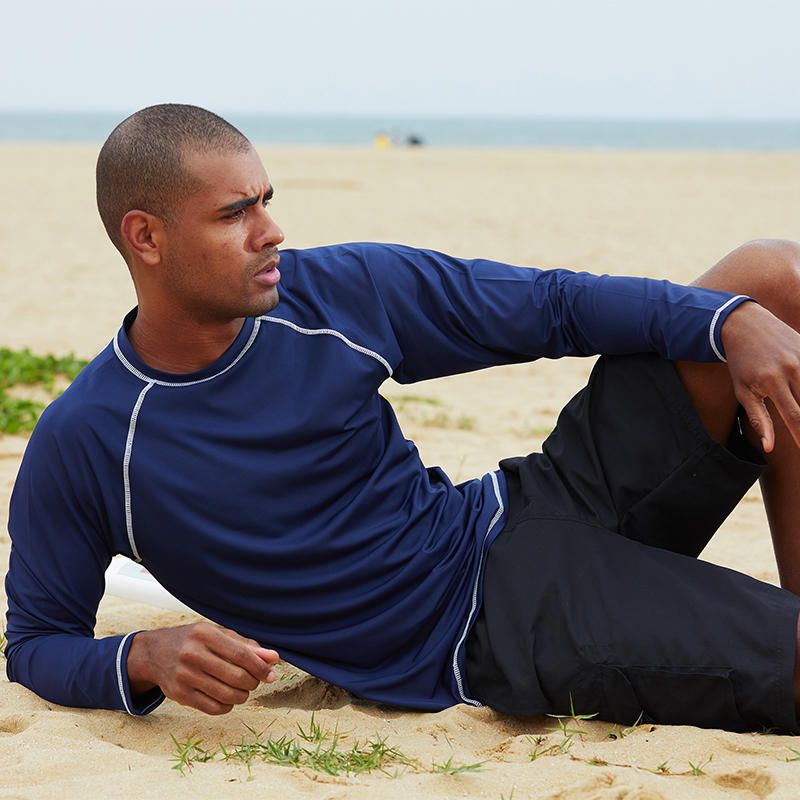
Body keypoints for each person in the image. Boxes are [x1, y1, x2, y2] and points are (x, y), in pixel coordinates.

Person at [5, 104, 800, 732]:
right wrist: (143, 655)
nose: (271, 229)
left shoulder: (337, 295)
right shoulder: (90, 441)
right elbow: (36, 643)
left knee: (770, 281)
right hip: (485, 627)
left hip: (522, 508)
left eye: (268, 201)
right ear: (146, 236)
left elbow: (554, 305)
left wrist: (726, 322)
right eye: (234, 213)